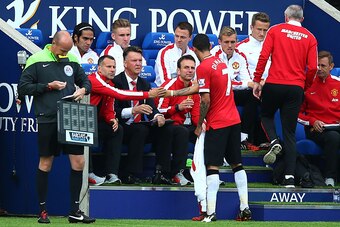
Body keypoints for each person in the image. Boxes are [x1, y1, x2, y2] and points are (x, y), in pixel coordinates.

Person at [18, 31, 95, 224]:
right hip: (48, 117)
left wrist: (83, 90)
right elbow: (24, 87)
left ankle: (75, 211)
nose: (64, 55)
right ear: (53, 43)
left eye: (68, 51)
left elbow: (86, 81)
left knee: (79, 163)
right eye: (62, 50)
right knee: (46, 163)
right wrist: (48, 86)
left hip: (71, 116)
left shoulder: (71, 58)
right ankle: (42, 211)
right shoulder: (36, 60)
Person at [253, 5, 318, 188]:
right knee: (289, 134)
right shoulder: (310, 37)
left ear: (285, 17)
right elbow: (312, 68)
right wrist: (304, 86)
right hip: (295, 88)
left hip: (274, 84)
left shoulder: (275, 30)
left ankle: (274, 141)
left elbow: (264, 57)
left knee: (265, 115)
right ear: (302, 19)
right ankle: (289, 178)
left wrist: (257, 80)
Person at [192, 34, 251, 222]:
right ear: (210, 45)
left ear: (194, 50)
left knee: (212, 165)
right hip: (234, 118)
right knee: (237, 164)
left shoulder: (203, 67)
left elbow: (205, 99)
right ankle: (245, 207)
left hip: (217, 122)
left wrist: (199, 123)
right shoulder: (221, 61)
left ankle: (210, 212)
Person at [88, 55, 164, 186]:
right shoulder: (94, 79)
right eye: (108, 67)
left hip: (97, 122)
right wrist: (147, 94)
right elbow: (120, 95)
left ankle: (111, 174)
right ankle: (88, 172)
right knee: (88, 130)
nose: (112, 70)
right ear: (99, 69)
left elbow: (109, 107)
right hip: (84, 121)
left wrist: (111, 118)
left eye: (113, 67)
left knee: (116, 130)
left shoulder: (110, 83)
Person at [113, 46, 174, 185]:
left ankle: (161, 173)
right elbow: (114, 110)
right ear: (125, 63)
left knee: (167, 128)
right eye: (134, 60)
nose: (138, 64)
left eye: (140, 60)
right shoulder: (116, 82)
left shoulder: (144, 83)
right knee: (140, 130)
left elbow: (151, 107)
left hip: (140, 127)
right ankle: (131, 174)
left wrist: (158, 116)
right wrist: (133, 110)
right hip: (121, 126)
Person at [211, 26, 260, 151]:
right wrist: (244, 84)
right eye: (226, 42)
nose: (230, 45)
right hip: (216, 93)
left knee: (253, 95)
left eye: (233, 42)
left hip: (232, 92)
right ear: (219, 42)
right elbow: (221, 83)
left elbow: (247, 80)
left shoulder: (240, 56)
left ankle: (243, 137)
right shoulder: (214, 55)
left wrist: (246, 84)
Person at [298, 51, 340, 187]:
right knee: (333, 137)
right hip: (315, 129)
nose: (319, 69)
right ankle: (330, 178)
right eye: (317, 65)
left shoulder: (338, 84)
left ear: (331, 66)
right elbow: (297, 114)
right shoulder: (306, 85)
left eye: (323, 66)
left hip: (336, 125)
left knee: (334, 134)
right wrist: (312, 121)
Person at [156, 55, 200, 185]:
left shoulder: (194, 88)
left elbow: (196, 114)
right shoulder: (169, 85)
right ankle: (177, 173)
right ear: (179, 71)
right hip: (165, 125)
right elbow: (159, 110)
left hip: (182, 126)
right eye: (186, 67)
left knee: (206, 131)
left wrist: (201, 126)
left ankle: (207, 174)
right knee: (182, 132)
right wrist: (177, 107)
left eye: (192, 68)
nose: (190, 70)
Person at [154, 21, 199, 86]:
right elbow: (165, 81)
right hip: (167, 92)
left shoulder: (194, 54)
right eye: (176, 36)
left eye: (182, 37)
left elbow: (196, 80)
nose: (178, 40)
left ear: (190, 38)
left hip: (189, 91)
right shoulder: (165, 52)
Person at [236, 12, 271, 80]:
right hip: (249, 87)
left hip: (271, 86)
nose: (262, 33)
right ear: (251, 27)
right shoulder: (240, 48)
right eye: (259, 29)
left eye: (265, 30)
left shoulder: (273, 47)